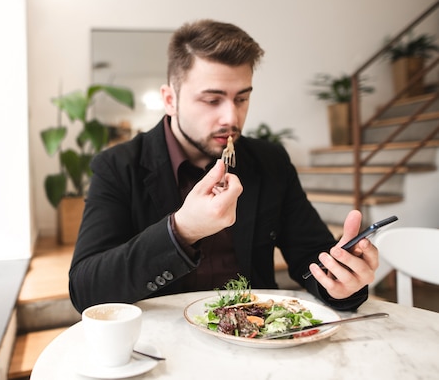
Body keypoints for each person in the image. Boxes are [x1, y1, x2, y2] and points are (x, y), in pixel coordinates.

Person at [68, 19, 378, 313]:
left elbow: (311, 259)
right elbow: (86, 289)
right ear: (170, 99)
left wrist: (341, 280)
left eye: (241, 98)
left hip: (256, 340)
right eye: (212, 100)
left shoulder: (270, 161)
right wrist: (181, 231)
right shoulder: (117, 165)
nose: (231, 118)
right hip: (162, 348)